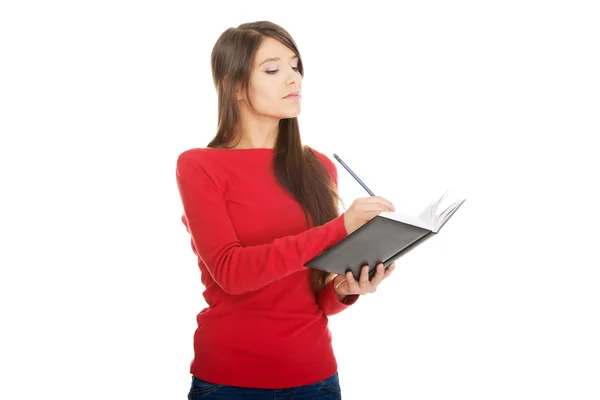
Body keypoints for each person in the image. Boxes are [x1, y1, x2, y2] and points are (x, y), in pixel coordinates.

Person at [175, 21, 396, 400]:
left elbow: (316, 294)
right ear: (236, 86)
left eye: (295, 66)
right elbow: (232, 273)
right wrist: (341, 228)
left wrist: (346, 288)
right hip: (230, 383)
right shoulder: (199, 166)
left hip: (317, 379)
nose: (292, 79)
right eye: (273, 69)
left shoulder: (320, 167)